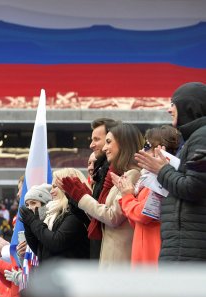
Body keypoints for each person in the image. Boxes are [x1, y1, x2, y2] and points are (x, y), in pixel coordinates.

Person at [135, 82, 206, 261]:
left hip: (189, 249)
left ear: (188, 106)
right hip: (185, 245)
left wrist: (161, 170)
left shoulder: (202, 137)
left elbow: (193, 187)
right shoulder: (195, 138)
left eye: (173, 104)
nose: (169, 110)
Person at [61, 123, 143, 268]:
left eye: (109, 142)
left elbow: (113, 216)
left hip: (119, 264)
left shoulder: (133, 174)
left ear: (124, 143)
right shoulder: (124, 175)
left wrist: (82, 197)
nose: (105, 148)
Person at [115, 125, 181, 267]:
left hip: (154, 255)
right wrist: (129, 195)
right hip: (143, 253)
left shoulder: (165, 178)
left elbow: (143, 215)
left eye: (146, 146)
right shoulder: (149, 178)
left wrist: (127, 196)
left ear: (161, 149)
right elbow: (135, 221)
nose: (142, 151)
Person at [19, 171, 90, 263]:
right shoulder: (52, 213)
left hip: (71, 274)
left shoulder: (75, 214)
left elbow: (56, 243)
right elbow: (40, 250)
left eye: (55, 186)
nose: (51, 191)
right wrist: (28, 226)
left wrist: (33, 221)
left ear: (70, 185)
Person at [83, 118, 120, 259]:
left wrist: (80, 198)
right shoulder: (101, 172)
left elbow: (109, 215)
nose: (92, 145)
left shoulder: (119, 172)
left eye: (97, 139)